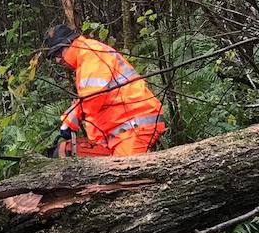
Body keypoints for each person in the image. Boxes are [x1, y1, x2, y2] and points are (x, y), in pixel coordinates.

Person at [42, 23, 166, 157]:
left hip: (133, 125)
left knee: (126, 174)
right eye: (54, 56)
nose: (58, 60)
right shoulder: (86, 56)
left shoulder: (90, 54)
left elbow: (93, 97)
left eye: (59, 53)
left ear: (70, 43)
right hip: (122, 129)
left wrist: (69, 121)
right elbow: (92, 101)